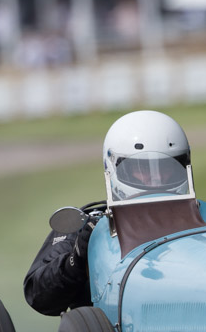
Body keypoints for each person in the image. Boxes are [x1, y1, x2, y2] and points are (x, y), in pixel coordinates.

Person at [24, 110, 193, 316]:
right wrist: (76, 260)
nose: (155, 180)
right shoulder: (91, 224)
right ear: (114, 168)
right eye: (142, 169)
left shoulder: (202, 221)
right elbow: (38, 296)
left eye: (166, 167)